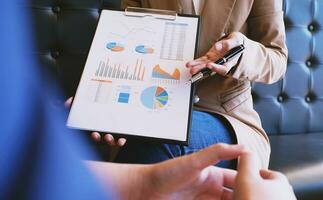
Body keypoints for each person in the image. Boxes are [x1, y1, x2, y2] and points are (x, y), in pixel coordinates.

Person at [91, 0, 288, 169]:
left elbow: (277, 60)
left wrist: (240, 53)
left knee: (161, 140)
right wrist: (100, 100)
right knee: (152, 137)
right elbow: (128, 45)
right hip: (151, 106)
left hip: (225, 115)